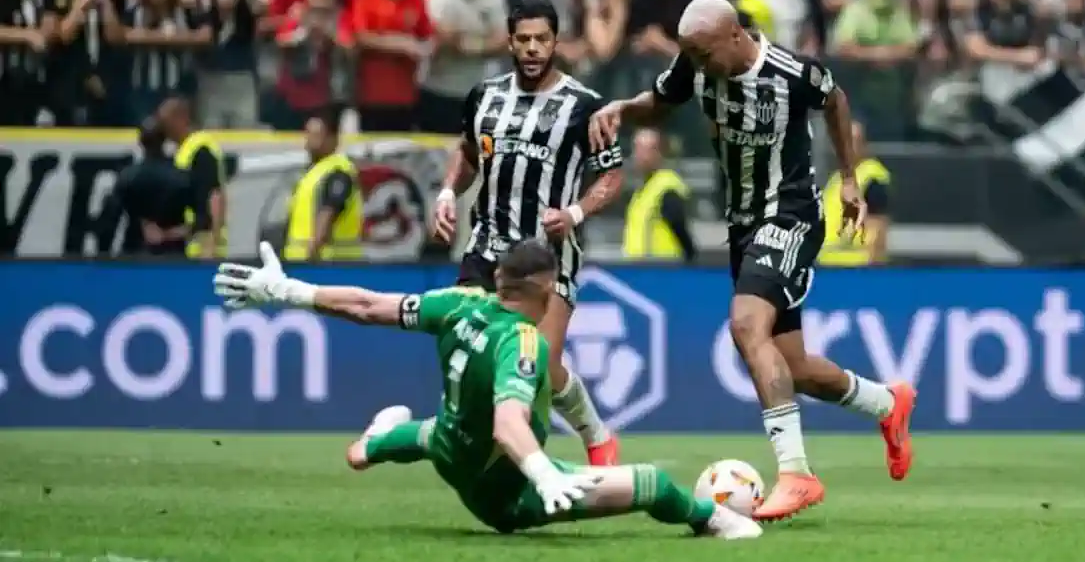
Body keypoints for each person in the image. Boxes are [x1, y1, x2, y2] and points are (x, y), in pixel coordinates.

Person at [587, 0, 917, 522]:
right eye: (690, 56)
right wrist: (623, 109)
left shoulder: (792, 73)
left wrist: (850, 178)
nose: (697, 66)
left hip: (789, 215)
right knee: (797, 368)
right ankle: (887, 404)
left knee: (745, 325)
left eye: (703, 54)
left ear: (735, 35)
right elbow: (661, 100)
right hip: (743, 226)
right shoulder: (695, 64)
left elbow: (836, 101)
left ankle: (796, 474)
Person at [211, 240, 761, 540]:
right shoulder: (523, 343)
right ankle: (714, 522)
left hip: (452, 450)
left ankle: (374, 442)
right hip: (504, 492)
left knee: (432, 433)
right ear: (544, 289)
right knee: (655, 485)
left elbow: (365, 306)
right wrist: (543, 473)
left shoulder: (458, 304)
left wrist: (287, 289)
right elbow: (509, 424)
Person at [430, 0, 625, 466]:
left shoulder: (585, 107)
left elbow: (612, 176)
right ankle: (493, 450)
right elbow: (468, 154)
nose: (533, 48)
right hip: (487, 245)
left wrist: (575, 212)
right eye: (524, 39)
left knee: (539, 366)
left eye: (542, 39)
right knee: (468, 347)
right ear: (510, 41)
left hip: (547, 254)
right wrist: (445, 194)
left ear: (556, 42)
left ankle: (595, 435)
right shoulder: (484, 96)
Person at [105, 117, 210, 256]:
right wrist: (167, 234)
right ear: (165, 140)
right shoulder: (182, 178)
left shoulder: (127, 177)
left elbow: (110, 222)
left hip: (134, 256)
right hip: (172, 257)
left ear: (140, 142)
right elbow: (203, 221)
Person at [282, 108, 364, 262]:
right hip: (302, 265)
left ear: (333, 139)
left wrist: (309, 259)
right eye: (307, 135)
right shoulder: (313, 172)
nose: (308, 143)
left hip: (329, 266)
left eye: (316, 136)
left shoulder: (338, 172)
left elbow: (325, 219)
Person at [158, 97, 226, 258]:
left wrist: (212, 244)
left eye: (165, 123)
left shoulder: (200, 150)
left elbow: (215, 196)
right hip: (191, 247)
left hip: (203, 249)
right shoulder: (184, 151)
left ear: (181, 119)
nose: (164, 130)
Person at [818, 122, 891, 266]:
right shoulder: (838, 177)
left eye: (852, 141)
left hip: (856, 268)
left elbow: (878, 229)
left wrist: (871, 270)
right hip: (829, 267)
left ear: (863, 145)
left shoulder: (872, 177)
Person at [623, 128, 696, 261]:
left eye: (644, 150)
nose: (637, 155)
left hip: (662, 269)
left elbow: (679, 227)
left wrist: (692, 261)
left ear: (658, 153)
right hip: (638, 271)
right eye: (636, 148)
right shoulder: (642, 190)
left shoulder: (667, 187)